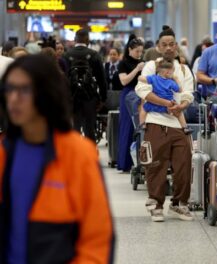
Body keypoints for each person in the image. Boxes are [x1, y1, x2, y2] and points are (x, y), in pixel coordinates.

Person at [0, 55, 114, 263]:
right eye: (9, 89)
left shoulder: (79, 154)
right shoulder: (4, 152)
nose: (14, 99)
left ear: (47, 94)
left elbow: (98, 238)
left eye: (24, 90)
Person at [135, 25, 194, 222]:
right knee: (156, 165)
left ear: (176, 46)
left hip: (178, 124)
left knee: (184, 165)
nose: (168, 48)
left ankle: (179, 204)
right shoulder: (152, 66)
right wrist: (166, 104)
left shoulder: (184, 69)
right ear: (159, 47)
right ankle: (156, 204)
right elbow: (142, 90)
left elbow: (187, 93)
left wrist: (182, 106)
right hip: (156, 122)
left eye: (171, 44)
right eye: (164, 45)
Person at [64, 29, 107, 142]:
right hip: (90, 97)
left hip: (71, 98)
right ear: (88, 40)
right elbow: (102, 79)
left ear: (74, 39)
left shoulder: (66, 55)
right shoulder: (94, 55)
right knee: (90, 130)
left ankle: (74, 157)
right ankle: (90, 157)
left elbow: (61, 79)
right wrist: (103, 98)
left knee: (74, 130)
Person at [138, 58, 190, 133]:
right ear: (168, 73)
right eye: (173, 72)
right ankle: (185, 127)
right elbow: (180, 90)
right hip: (169, 105)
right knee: (179, 113)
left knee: (143, 108)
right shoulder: (171, 82)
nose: (173, 74)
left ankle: (142, 124)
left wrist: (140, 77)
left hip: (153, 104)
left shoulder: (153, 78)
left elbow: (141, 78)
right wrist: (176, 79)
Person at [117, 35, 145, 172]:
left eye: (141, 51)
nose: (139, 54)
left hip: (141, 94)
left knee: (139, 128)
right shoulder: (123, 63)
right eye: (137, 51)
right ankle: (124, 162)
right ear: (130, 49)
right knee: (127, 128)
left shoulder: (143, 62)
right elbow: (124, 81)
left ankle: (140, 160)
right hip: (128, 94)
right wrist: (137, 70)